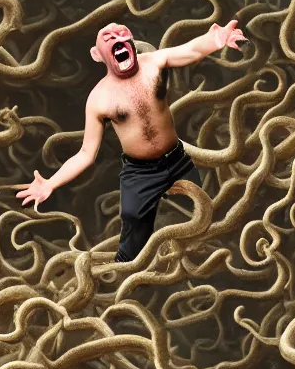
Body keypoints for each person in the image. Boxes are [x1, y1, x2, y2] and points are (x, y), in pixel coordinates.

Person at [16, 20, 247, 262]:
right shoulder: (98, 99)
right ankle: (125, 279)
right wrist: (51, 183)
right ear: (97, 55)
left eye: (121, 33)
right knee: (133, 237)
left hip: (177, 159)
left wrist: (216, 40)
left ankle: (216, 258)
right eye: (108, 37)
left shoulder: (153, 63)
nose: (116, 37)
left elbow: (190, 50)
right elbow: (86, 153)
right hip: (140, 173)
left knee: (207, 216)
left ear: (132, 44)